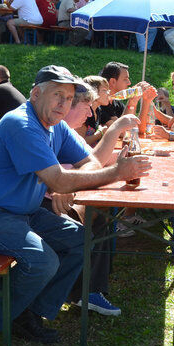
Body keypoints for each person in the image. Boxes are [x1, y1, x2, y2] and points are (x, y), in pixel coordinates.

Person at [0, 65, 149, 346]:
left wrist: (65, 182)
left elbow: (90, 163)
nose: (63, 104)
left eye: (69, 98)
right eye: (57, 95)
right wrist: (115, 173)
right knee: (43, 260)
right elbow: (63, 176)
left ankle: (25, 312)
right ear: (35, 94)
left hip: (21, 213)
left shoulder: (56, 127)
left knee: (80, 240)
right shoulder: (21, 124)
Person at [60, 81, 144, 315]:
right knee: (95, 215)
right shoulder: (55, 127)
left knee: (102, 212)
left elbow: (93, 161)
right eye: (86, 106)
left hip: (63, 194)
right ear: (68, 106)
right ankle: (85, 290)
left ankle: (91, 288)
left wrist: (118, 147)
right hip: (44, 202)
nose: (90, 113)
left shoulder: (63, 130)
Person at [96, 62, 155, 127]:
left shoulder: (117, 103)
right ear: (113, 81)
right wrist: (131, 102)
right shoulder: (100, 104)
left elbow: (134, 127)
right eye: (125, 79)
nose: (129, 83)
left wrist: (146, 101)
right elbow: (122, 129)